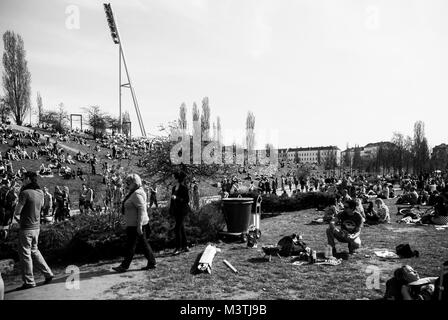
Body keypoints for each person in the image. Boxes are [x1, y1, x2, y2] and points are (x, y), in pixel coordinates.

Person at [13, 172, 54, 289]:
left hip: (26, 228)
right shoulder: (40, 193)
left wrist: (18, 220)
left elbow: (17, 212)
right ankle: (48, 273)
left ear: (28, 179)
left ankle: (29, 282)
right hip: (37, 227)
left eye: (23, 179)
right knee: (35, 251)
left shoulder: (25, 193)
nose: (22, 181)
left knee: (25, 254)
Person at [112, 174, 156, 273]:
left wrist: (139, 225)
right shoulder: (133, 192)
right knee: (143, 244)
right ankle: (152, 262)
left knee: (131, 246)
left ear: (134, 183)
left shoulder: (136, 193)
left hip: (136, 224)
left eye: (129, 182)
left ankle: (124, 266)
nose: (127, 184)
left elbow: (141, 209)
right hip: (134, 224)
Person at [169, 171, 190, 255]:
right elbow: (172, 200)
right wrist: (171, 210)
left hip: (182, 211)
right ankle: (185, 246)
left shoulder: (184, 188)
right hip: (176, 211)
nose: (171, 179)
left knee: (177, 228)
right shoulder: (174, 188)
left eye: (173, 177)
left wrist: (177, 198)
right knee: (181, 227)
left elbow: (186, 200)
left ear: (177, 179)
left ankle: (178, 248)